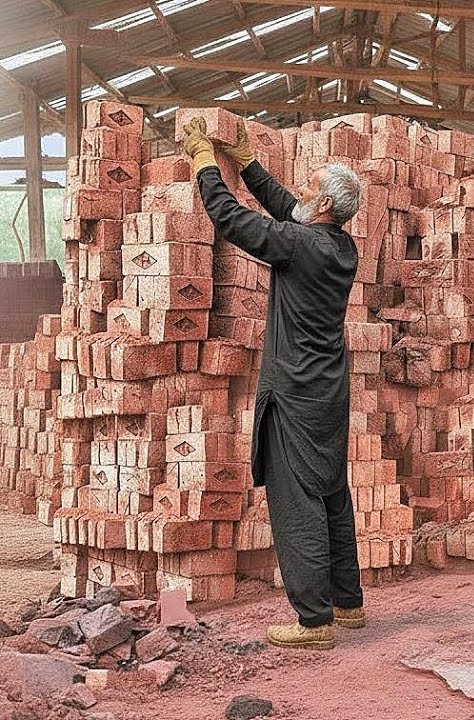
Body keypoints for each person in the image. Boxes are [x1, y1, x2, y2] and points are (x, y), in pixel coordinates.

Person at [182, 116, 365, 650]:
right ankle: (346, 603)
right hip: (327, 391)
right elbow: (289, 208)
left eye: (312, 186)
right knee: (331, 491)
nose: (303, 191)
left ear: (326, 206)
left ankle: (314, 622)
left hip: (294, 393)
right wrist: (248, 162)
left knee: (296, 501)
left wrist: (204, 164)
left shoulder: (302, 245)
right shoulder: (337, 246)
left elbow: (232, 220)